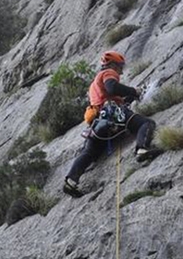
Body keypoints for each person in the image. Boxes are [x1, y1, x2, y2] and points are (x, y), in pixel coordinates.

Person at [63, 50, 159, 197]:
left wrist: (128, 98)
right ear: (112, 64)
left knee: (89, 153)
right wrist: (135, 91)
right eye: (120, 66)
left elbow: (108, 95)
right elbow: (112, 88)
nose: (121, 71)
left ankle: (71, 181)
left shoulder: (94, 84)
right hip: (113, 113)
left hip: (98, 122)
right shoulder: (108, 72)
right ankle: (142, 149)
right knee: (146, 123)